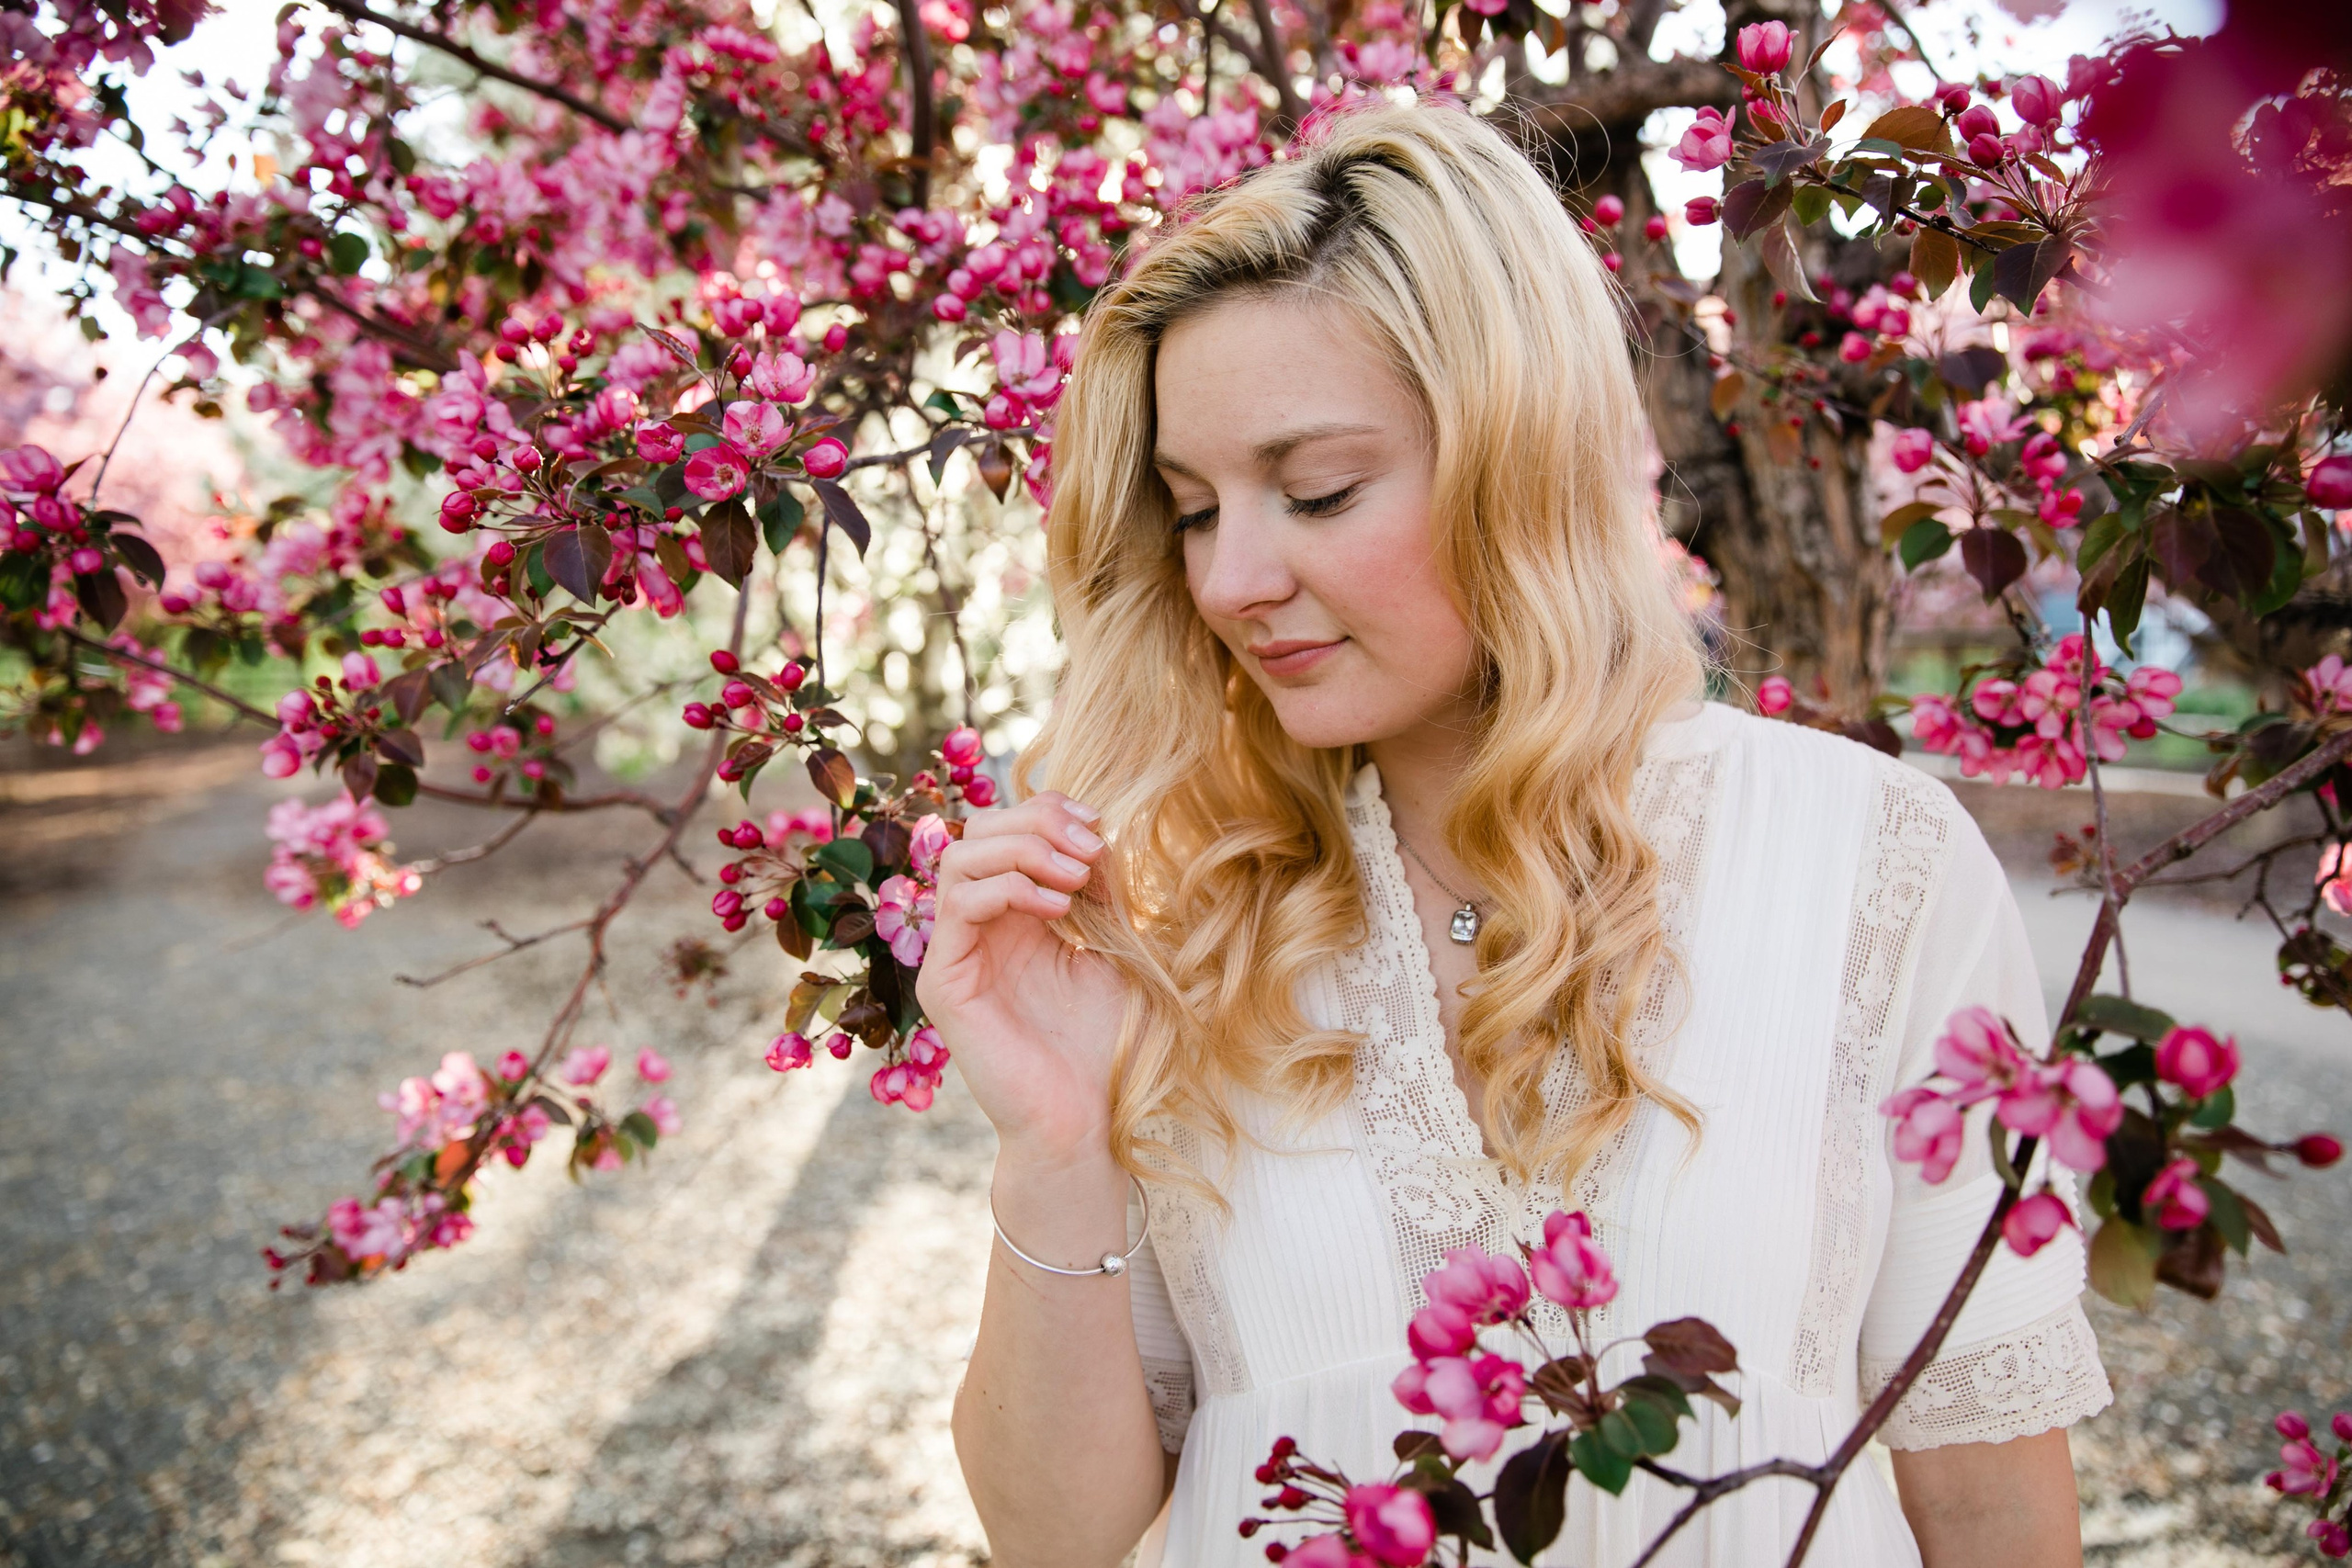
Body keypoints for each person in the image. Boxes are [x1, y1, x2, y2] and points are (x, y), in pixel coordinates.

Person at [915, 99, 2108, 1568]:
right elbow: (1060, 1539)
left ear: (1521, 456)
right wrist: (1055, 1144)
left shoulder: (1870, 865)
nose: (1229, 579)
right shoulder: (1177, 916)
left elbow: (1984, 1491)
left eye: (1315, 491)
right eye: (1192, 509)